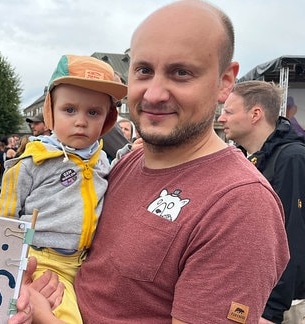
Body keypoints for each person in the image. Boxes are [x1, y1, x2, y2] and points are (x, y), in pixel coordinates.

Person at [18, 1, 290, 323]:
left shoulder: (240, 205)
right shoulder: (121, 166)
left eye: (181, 73)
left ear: (224, 82)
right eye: (144, 70)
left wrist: (40, 315)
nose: (154, 94)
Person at [0, 54, 127, 323]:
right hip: (42, 260)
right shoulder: (34, 161)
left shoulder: (102, 160)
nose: (81, 121)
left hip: (84, 263)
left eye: (93, 112)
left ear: (107, 119)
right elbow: (3, 217)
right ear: (50, 112)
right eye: (69, 110)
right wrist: (9, 264)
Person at [218, 80, 305, 324]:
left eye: (229, 111)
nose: (222, 118)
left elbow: (292, 237)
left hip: (286, 306)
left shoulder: (291, 159)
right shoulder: (251, 160)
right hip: (258, 298)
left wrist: (271, 310)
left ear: (255, 114)